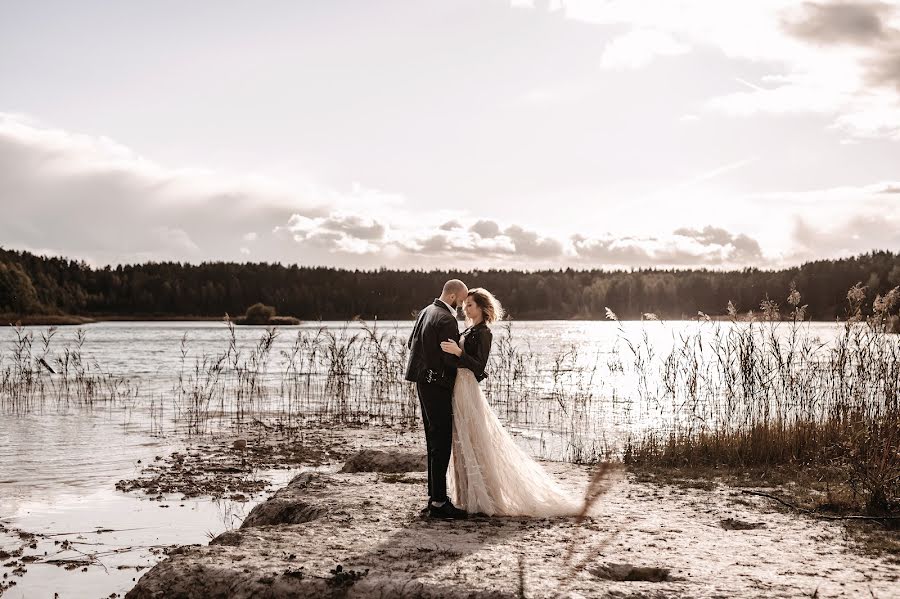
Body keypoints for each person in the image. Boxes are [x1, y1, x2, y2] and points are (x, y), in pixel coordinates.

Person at [439, 288, 583, 517]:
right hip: (459, 387)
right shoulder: (469, 329)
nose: (465, 309)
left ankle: (485, 497)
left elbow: (479, 366)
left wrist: (458, 353)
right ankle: (466, 497)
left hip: (468, 389)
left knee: (474, 439)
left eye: (471, 305)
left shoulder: (484, 332)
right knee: (462, 440)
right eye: (465, 305)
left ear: (483, 309)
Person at [405, 279, 469, 519]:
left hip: (422, 382)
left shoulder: (426, 311)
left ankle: (434, 498)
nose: (462, 305)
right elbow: (449, 360)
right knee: (441, 441)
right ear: (452, 296)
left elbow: (411, 343)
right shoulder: (446, 319)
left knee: (433, 438)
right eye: (462, 300)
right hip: (436, 385)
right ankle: (440, 502)